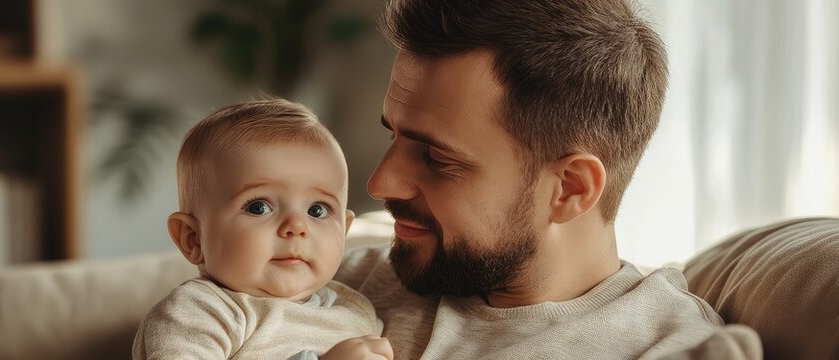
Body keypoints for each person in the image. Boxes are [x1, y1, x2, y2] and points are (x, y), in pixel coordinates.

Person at [334, 0, 733, 358]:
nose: (380, 183)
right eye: (393, 134)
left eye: (436, 159)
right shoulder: (329, 283)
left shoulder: (670, 348)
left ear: (570, 189)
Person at [132, 99, 392, 359]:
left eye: (317, 210)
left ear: (344, 231)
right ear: (193, 239)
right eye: (259, 207)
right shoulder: (200, 311)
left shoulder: (356, 312)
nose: (296, 226)